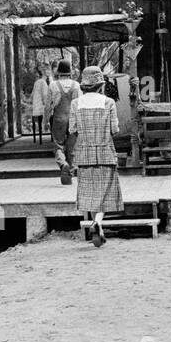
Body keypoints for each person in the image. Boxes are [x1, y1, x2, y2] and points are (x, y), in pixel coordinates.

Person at [69, 65, 123, 247]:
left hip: (84, 154)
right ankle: (98, 222)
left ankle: (97, 227)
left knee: (91, 194)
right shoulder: (108, 103)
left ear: (84, 86)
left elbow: (72, 129)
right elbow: (114, 130)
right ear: (101, 85)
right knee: (105, 193)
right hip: (106, 152)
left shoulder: (75, 104)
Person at [45, 60, 82, 184]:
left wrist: (45, 121)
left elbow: (48, 106)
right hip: (73, 118)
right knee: (71, 149)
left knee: (58, 145)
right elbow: (80, 104)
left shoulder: (53, 85)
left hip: (58, 118)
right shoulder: (76, 85)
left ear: (58, 72)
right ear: (70, 72)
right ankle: (69, 175)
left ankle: (63, 164)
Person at [31, 68, 50, 144]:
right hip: (41, 108)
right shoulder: (42, 82)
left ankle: (36, 138)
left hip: (35, 108)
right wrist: (46, 105)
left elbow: (33, 95)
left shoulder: (36, 83)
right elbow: (45, 96)